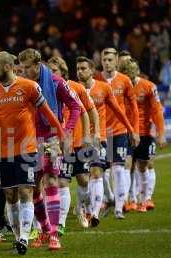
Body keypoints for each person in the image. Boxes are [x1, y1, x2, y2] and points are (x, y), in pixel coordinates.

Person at [0, 51, 64, 255]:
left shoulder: (29, 87)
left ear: (7, 67)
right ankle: (18, 237)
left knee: (26, 191)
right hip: (3, 150)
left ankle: (24, 237)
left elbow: (48, 113)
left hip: (27, 148)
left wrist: (61, 135)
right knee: (10, 195)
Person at [18, 49, 81, 250]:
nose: (24, 71)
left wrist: (68, 131)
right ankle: (44, 228)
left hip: (52, 137)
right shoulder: (22, 85)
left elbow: (75, 106)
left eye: (27, 67)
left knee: (51, 179)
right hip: (29, 139)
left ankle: (54, 234)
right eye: (22, 67)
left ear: (37, 65)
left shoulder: (55, 82)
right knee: (33, 186)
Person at [77, 56, 137, 225]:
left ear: (91, 70)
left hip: (99, 138)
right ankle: (89, 207)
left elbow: (118, 111)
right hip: (78, 141)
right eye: (78, 69)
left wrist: (131, 130)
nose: (80, 72)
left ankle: (95, 213)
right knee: (82, 179)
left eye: (83, 68)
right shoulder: (72, 89)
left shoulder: (103, 88)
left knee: (97, 173)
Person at [47, 56, 100, 232]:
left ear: (63, 71)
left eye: (54, 71)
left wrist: (90, 135)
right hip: (60, 145)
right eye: (49, 71)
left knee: (84, 180)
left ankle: (81, 209)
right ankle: (60, 223)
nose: (51, 74)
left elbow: (90, 112)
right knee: (62, 181)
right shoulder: (47, 90)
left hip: (79, 143)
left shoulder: (76, 88)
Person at [96, 48, 140, 219]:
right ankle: (110, 198)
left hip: (119, 131)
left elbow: (134, 108)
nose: (107, 62)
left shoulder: (124, 81)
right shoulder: (95, 79)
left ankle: (119, 208)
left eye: (110, 59)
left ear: (116, 62)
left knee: (119, 169)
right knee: (100, 170)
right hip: (100, 133)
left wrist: (134, 130)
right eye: (104, 59)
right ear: (101, 60)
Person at [120, 59, 166, 211]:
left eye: (132, 74)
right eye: (127, 75)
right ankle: (131, 199)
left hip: (145, 132)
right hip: (126, 132)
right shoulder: (119, 87)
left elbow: (157, 111)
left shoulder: (148, 86)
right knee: (127, 166)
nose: (130, 78)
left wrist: (161, 134)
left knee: (143, 166)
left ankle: (146, 199)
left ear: (137, 72)